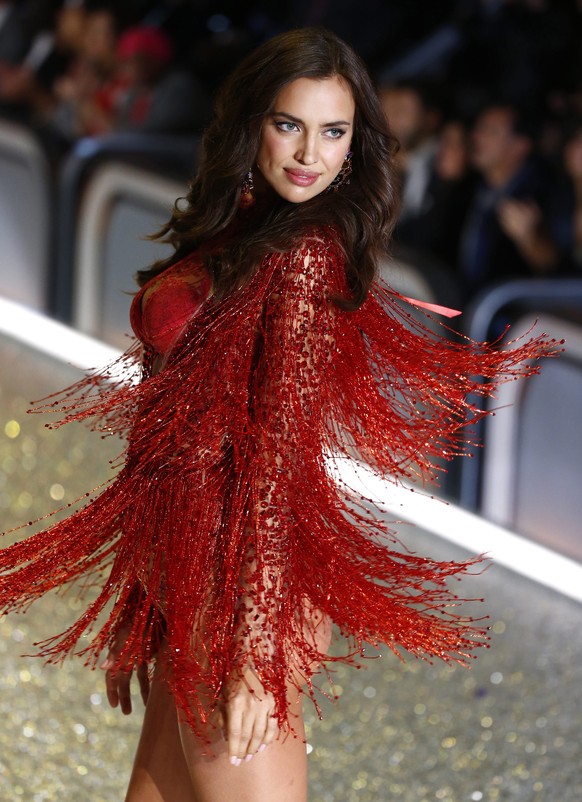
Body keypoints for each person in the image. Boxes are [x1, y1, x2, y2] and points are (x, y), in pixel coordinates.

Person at [0, 28, 557, 802]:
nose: (310, 154)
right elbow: (164, 439)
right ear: (252, 119)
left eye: (334, 132)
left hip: (245, 589)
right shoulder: (240, 226)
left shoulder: (304, 256)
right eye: (290, 124)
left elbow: (278, 459)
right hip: (191, 571)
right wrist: (145, 595)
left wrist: (255, 651)